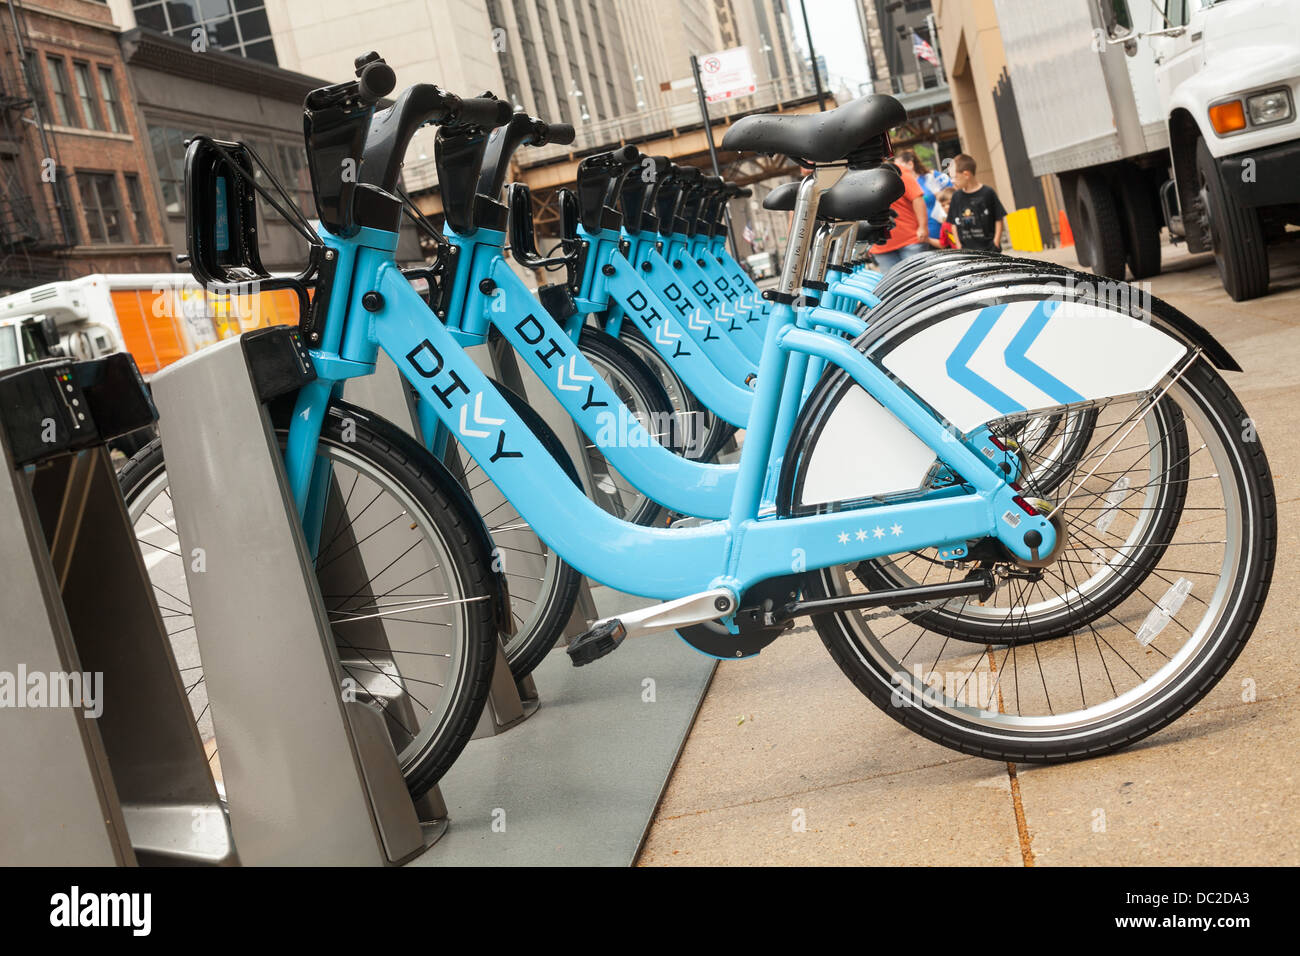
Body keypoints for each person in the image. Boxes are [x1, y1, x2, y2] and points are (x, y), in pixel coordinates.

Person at [869, 161, 929, 273]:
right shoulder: (858, 177)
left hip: (910, 240)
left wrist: (923, 226)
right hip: (880, 246)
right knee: (893, 288)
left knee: (918, 281)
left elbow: (917, 198)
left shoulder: (895, 171)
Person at [946, 154, 1007, 252]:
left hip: (989, 249)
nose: (952, 181)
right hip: (966, 251)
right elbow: (953, 224)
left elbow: (998, 218)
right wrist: (959, 245)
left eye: (954, 177)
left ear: (966, 174)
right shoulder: (956, 197)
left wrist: (996, 242)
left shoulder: (988, 192)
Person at [896, 149, 952, 242]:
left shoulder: (929, 178)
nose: (897, 170)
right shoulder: (901, 186)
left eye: (899, 166)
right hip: (917, 236)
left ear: (910, 164)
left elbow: (948, 197)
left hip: (938, 229)